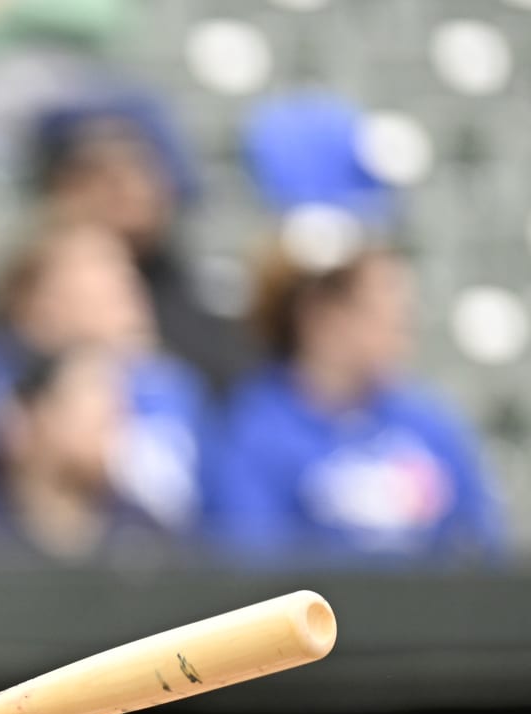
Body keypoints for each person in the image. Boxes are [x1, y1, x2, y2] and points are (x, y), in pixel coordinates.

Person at [201, 217, 510, 568]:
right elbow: (253, 563)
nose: (401, 319)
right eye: (384, 303)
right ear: (320, 315)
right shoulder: (253, 431)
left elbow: (484, 548)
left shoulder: (430, 424)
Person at [0, 217, 210, 534]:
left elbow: (179, 501)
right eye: (103, 288)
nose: (128, 302)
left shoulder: (166, 383)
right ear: (39, 305)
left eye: (126, 282)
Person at [25, 84, 258, 400]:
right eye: (102, 177)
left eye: (139, 170)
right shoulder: (29, 303)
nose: (128, 191)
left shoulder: (191, 305)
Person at [0, 345, 185, 566]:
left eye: (116, 409)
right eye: (91, 393)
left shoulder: (143, 539)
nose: (110, 414)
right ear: (28, 417)